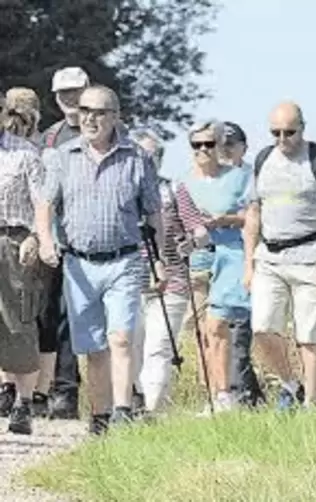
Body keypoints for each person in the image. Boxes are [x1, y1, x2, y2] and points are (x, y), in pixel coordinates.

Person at [36, 85, 164, 434]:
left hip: (124, 259)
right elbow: (46, 205)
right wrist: (46, 241)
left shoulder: (138, 158)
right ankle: (101, 416)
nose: (90, 118)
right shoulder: (63, 157)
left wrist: (160, 262)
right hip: (79, 264)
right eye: (85, 111)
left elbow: (154, 214)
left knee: (120, 337)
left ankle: (123, 410)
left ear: (116, 117)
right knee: (93, 348)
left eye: (99, 112)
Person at [243, 102, 316, 409]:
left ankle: (312, 401)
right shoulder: (263, 160)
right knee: (262, 327)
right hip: (270, 256)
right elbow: (253, 213)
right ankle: (290, 381)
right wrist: (249, 262)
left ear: (302, 127)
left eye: (290, 132)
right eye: (276, 133)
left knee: (310, 333)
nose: (283, 139)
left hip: (312, 254)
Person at [175, 119, 250, 414]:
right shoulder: (183, 182)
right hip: (197, 257)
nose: (204, 150)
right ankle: (213, 394)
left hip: (231, 253)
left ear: (221, 146)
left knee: (219, 324)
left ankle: (226, 392)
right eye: (197, 145)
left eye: (210, 144)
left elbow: (253, 215)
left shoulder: (240, 177)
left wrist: (224, 219)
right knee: (203, 330)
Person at [0, 88, 56, 419]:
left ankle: (23, 400)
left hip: (12, 240)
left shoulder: (25, 155)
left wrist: (36, 237)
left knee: (18, 318)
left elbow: (42, 203)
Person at [129, 129, 192, 413]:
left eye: (152, 156)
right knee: (130, 348)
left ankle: (152, 410)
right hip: (129, 281)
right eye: (141, 155)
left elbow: (198, 229)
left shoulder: (174, 190)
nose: (147, 162)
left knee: (159, 347)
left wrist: (191, 241)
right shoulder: (121, 193)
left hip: (171, 282)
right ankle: (133, 401)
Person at [41, 66, 90, 420]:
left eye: (75, 91)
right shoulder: (49, 137)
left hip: (98, 237)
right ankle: (63, 390)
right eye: (63, 94)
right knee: (56, 316)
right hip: (59, 239)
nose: (70, 100)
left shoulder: (109, 130)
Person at [219, 121, 264, 407]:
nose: (223, 151)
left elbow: (253, 216)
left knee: (239, 330)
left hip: (245, 258)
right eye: (218, 145)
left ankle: (243, 394)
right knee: (216, 331)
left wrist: (225, 218)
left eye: (230, 145)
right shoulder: (206, 178)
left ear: (243, 148)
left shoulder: (252, 177)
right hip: (214, 260)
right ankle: (241, 393)